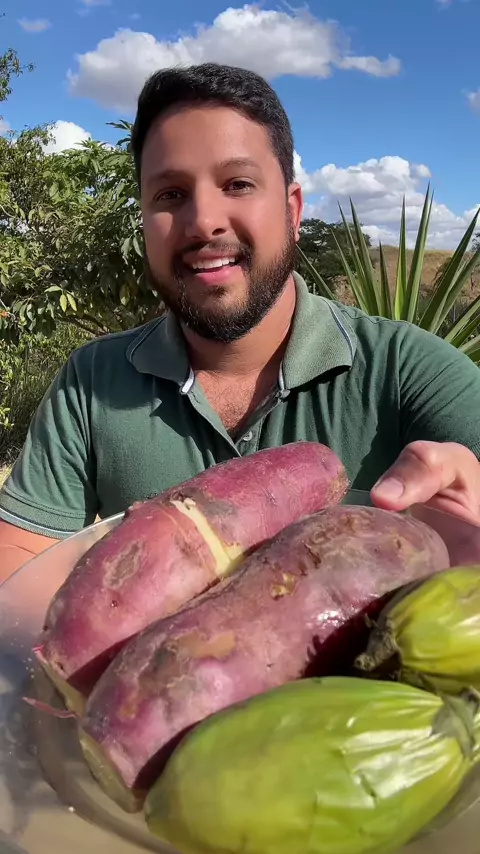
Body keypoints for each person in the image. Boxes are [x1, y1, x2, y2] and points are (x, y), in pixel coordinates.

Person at [1, 62, 480, 582]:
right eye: (170, 194)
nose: (204, 221)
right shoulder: (92, 381)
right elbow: (17, 576)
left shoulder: (410, 371)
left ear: (293, 211)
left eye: (238, 184)